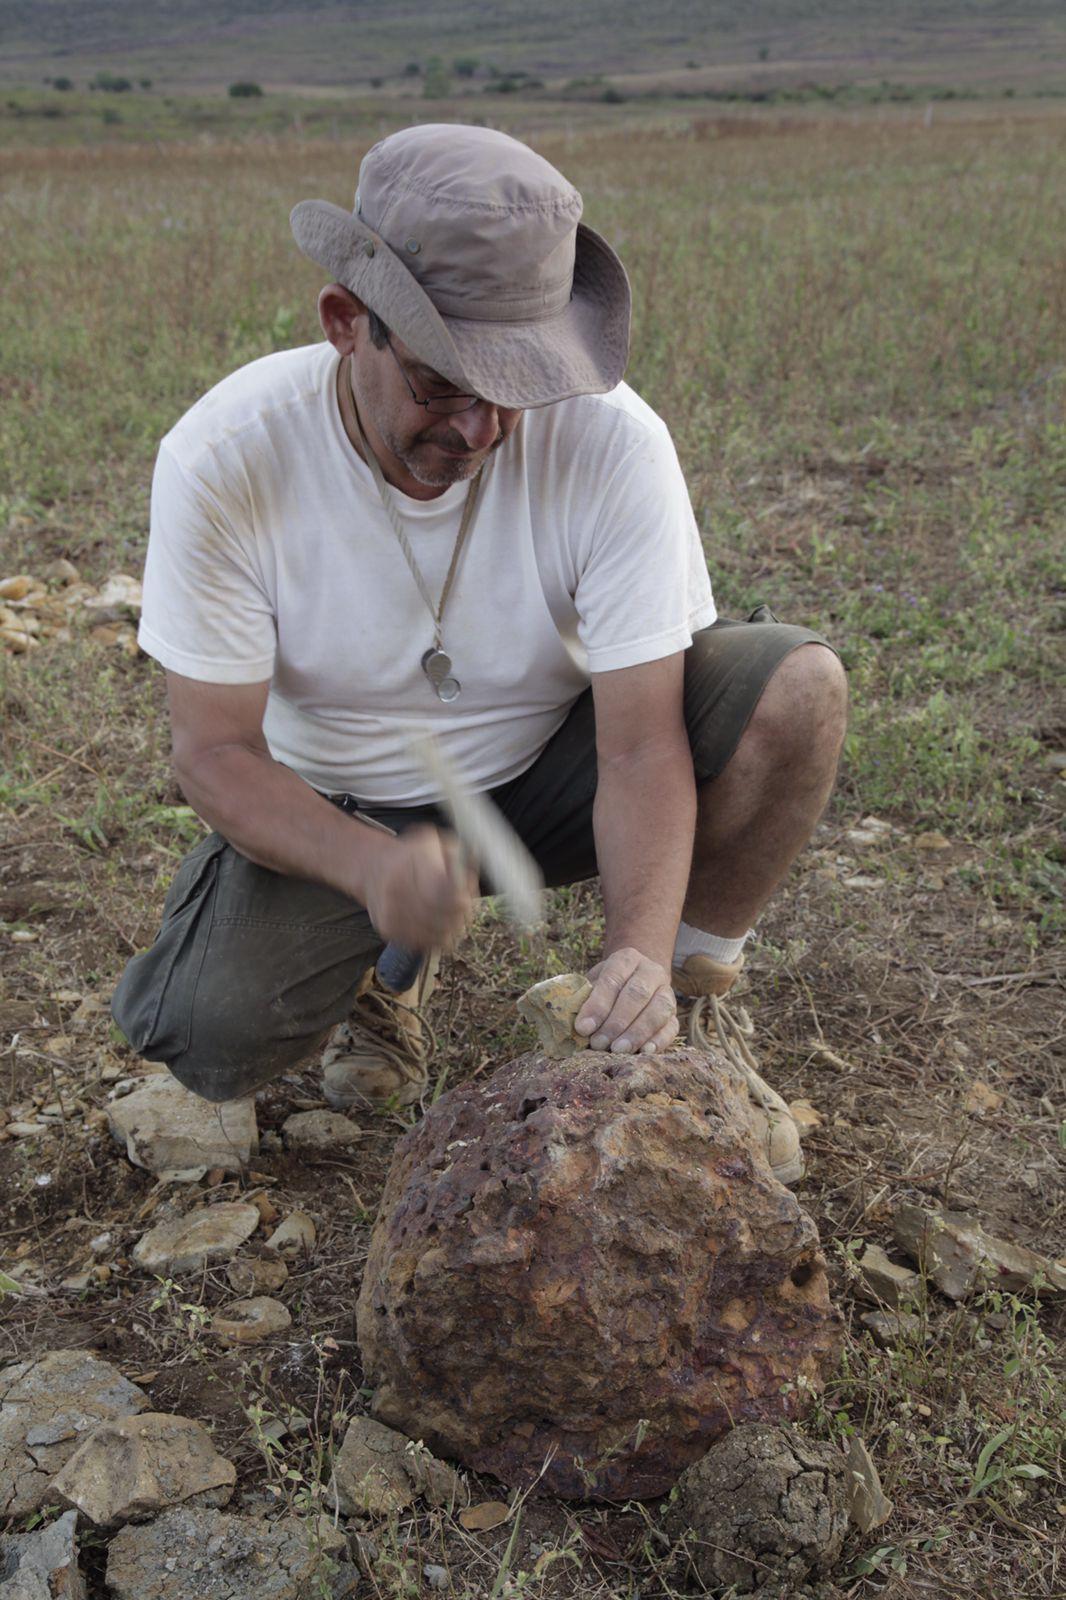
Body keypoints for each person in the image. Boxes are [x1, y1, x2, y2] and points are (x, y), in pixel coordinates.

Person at [111, 124, 847, 1185]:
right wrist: (372, 868)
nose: (481, 428)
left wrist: (638, 951)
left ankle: (689, 1002)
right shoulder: (229, 458)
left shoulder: (612, 442)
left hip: (551, 771)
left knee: (797, 691)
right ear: (343, 323)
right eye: (440, 384)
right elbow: (213, 754)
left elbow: (641, 746)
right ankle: (386, 969)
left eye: (514, 386)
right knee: (210, 1029)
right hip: (345, 804)